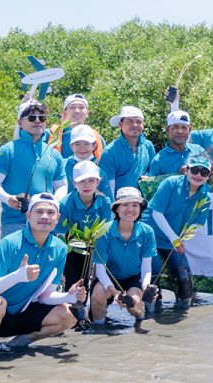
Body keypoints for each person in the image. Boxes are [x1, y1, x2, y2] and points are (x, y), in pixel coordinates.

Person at [0, 193, 84, 359]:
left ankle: (17, 344)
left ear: (58, 218)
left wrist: (69, 297)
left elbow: (45, 296)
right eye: (39, 212)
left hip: (21, 314)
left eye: (50, 213)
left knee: (68, 315)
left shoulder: (60, 248)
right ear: (28, 216)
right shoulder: (9, 243)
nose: (44, 217)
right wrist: (17, 277)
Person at [0, 101, 67, 238]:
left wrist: (54, 201)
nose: (37, 121)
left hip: (46, 221)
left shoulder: (53, 153)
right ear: (20, 122)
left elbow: (62, 185)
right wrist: (8, 199)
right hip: (14, 222)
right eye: (31, 118)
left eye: (41, 118)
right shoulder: (6, 151)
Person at [145, 155, 212, 309]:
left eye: (204, 172)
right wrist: (174, 237)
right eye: (194, 169)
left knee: (185, 277)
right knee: (153, 280)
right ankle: (150, 314)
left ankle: (183, 314)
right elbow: (157, 213)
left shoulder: (205, 198)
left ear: (208, 176)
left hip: (174, 241)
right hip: (151, 238)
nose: (198, 175)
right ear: (187, 170)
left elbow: (196, 225)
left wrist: (183, 239)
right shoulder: (170, 183)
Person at [91, 187, 157, 325]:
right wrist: (115, 293)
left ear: (140, 209)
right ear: (116, 209)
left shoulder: (147, 232)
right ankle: (99, 329)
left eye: (135, 205)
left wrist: (146, 287)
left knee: (135, 304)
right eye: (125, 205)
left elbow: (146, 267)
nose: (130, 209)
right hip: (109, 278)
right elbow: (100, 270)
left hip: (133, 277)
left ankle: (141, 321)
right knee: (98, 293)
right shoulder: (103, 232)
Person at [56, 160, 113, 291]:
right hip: (72, 250)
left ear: (98, 182)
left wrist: (95, 260)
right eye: (82, 181)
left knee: (94, 286)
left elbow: (105, 234)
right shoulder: (65, 204)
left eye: (91, 181)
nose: (86, 185)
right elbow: (60, 236)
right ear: (74, 183)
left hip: (97, 248)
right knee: (73, 286)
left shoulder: (105, 202)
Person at [99, 105, 156, 196]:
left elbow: (152, 175)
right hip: (119, 204)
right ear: (120, 125)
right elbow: (107, 186)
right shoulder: (110, 152)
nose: (135, 125)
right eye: (129, 121)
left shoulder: (148, 146)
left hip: (142, 203)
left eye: (138, 121)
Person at [148, 110, 204, 176]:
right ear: (167, 130)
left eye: (184, 127)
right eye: (175, 127)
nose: (180, 131)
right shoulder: (158, 160)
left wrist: (193, 167)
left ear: (189, 130)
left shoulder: (199, 150)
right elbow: (152, 185)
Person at [62, 124, 111, 198]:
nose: (82, 148)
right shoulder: (64, 165)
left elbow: (107, 198)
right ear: (71, 146)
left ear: (94, 145)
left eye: (86, 144)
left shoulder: (100, 166)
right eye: (77, 144)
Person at [53, 93, 105, 159]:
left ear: (87, 113)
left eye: (81, 107)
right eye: (72, 107)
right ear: (65, 113)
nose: (77, 111)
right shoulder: (52, 134)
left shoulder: (97, 137)